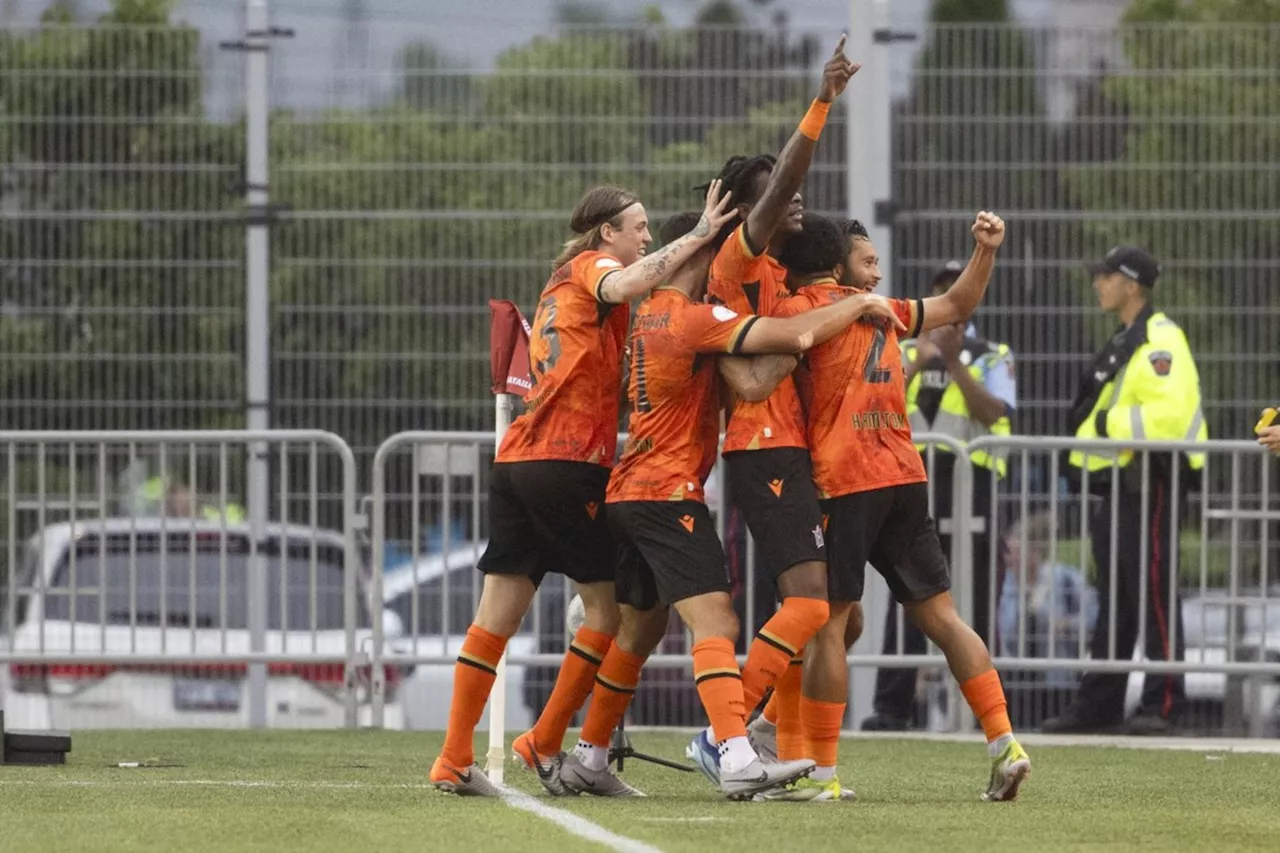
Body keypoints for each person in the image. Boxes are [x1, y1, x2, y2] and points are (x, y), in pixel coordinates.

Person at [556, 210, 906, 800]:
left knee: (641, 629)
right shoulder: (695, 316)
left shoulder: (650, 314)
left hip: (635, 486)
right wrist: (842, 313)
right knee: (735, 618)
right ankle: (734, 745)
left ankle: (582, 753)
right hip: (675, 488)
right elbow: (772, 359)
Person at [429, 181, 738, 797]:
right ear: (607, 234)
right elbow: (621, 284)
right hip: (566, 463)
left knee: (496, 618)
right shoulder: (593, 267)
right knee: (606, 614)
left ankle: (453, 759)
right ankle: (544, 743)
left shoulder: (566, 285)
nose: (648, 238)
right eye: (639, 227)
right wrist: (700, 234)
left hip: (520, 460)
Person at [761, 211, 1031, 803]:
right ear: (840, 266)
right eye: (869, 262)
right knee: (940, 616)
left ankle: (822, 776)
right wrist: (986, 252)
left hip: (846, 480)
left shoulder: (803, 309)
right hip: (905, 477)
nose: (878, 274)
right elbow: (957, 305)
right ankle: (1004, 743)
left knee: (829, 624)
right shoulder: (883, 312)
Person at [683, 36, 859, 797]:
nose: (793, 196)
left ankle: (782, 754)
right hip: (762, 449)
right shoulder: (742, 261)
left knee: (819, 616)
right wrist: (821, 103)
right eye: (775, 190)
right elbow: (753, 383)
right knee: (813, 604)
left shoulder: (782, 274)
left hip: (787, 451)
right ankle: (724, 735)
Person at [1042, 246, 1208, 736]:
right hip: (1119, 485)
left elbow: (1167, 417)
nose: (1099, 283)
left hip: (1151, 481)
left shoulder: (1160, 340)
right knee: (1114, 596)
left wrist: (1103, 424)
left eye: (1107, 276)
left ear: (1132, 284)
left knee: (1153, 591)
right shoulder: (1126, 340)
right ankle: (1099, 705)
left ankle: (1164, 703)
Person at [863, 262, 1017, 731]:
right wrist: (919, 359)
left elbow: (995, 413)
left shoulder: (993, 355)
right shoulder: (900, 349)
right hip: (914, 489)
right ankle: (893, 707)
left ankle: (985, 711)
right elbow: (873, 400)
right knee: (907, 594)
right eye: (941, 292)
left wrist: (953, 363)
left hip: (975, 495)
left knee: (977, 602)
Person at [997, 512, 1099, 690]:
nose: (1009, 558)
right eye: (1007, 552)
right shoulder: (1001, 586)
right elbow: (1002, 632)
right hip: (1013, 681)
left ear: (1035, 552)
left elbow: (1096, 616)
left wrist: (1068, 625)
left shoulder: (1065, 578)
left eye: (1016, 551)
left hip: (1060, 679)